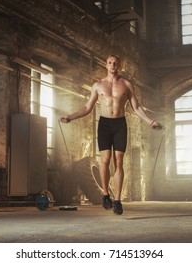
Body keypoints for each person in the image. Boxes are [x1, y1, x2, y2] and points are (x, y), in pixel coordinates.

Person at [60, 54, 162, 215]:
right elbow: (87, 108)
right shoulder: (98, 85)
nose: (112, 65)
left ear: (119, 65)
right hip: (105, 125)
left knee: (119, 162)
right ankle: (106, 194)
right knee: (105, 161)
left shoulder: (127, 84)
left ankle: (118, 200)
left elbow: (136, 107)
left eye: (115, 63)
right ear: (106, 65)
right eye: (109, 63)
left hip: (120, 124)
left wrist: (151, 122)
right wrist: (70, 117)